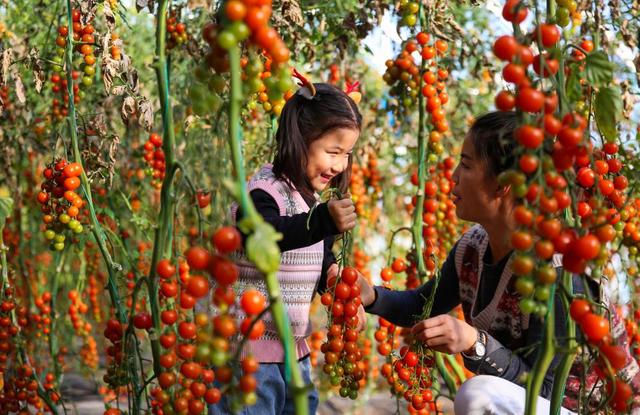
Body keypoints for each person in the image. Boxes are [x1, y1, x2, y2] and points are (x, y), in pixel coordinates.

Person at [359, 111, 640, 414]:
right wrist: (372, 296)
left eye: (466, 165)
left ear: (503, 184)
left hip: (597, 409)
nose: (453, 176)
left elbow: (546, 391)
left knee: (479, 394)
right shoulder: (473, 248)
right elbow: (423, 303)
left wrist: (474, 343)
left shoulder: (561, 270)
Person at [209, 82, 362, 415]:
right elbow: (265, 236)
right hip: (247, 354)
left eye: (346, 154)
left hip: (294, 352)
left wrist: (336, 284)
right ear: (300, 139)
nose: (340, 165)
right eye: (333, 152)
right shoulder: (264, 191)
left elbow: (317, 254)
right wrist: (321, 221)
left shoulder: (311, 201)